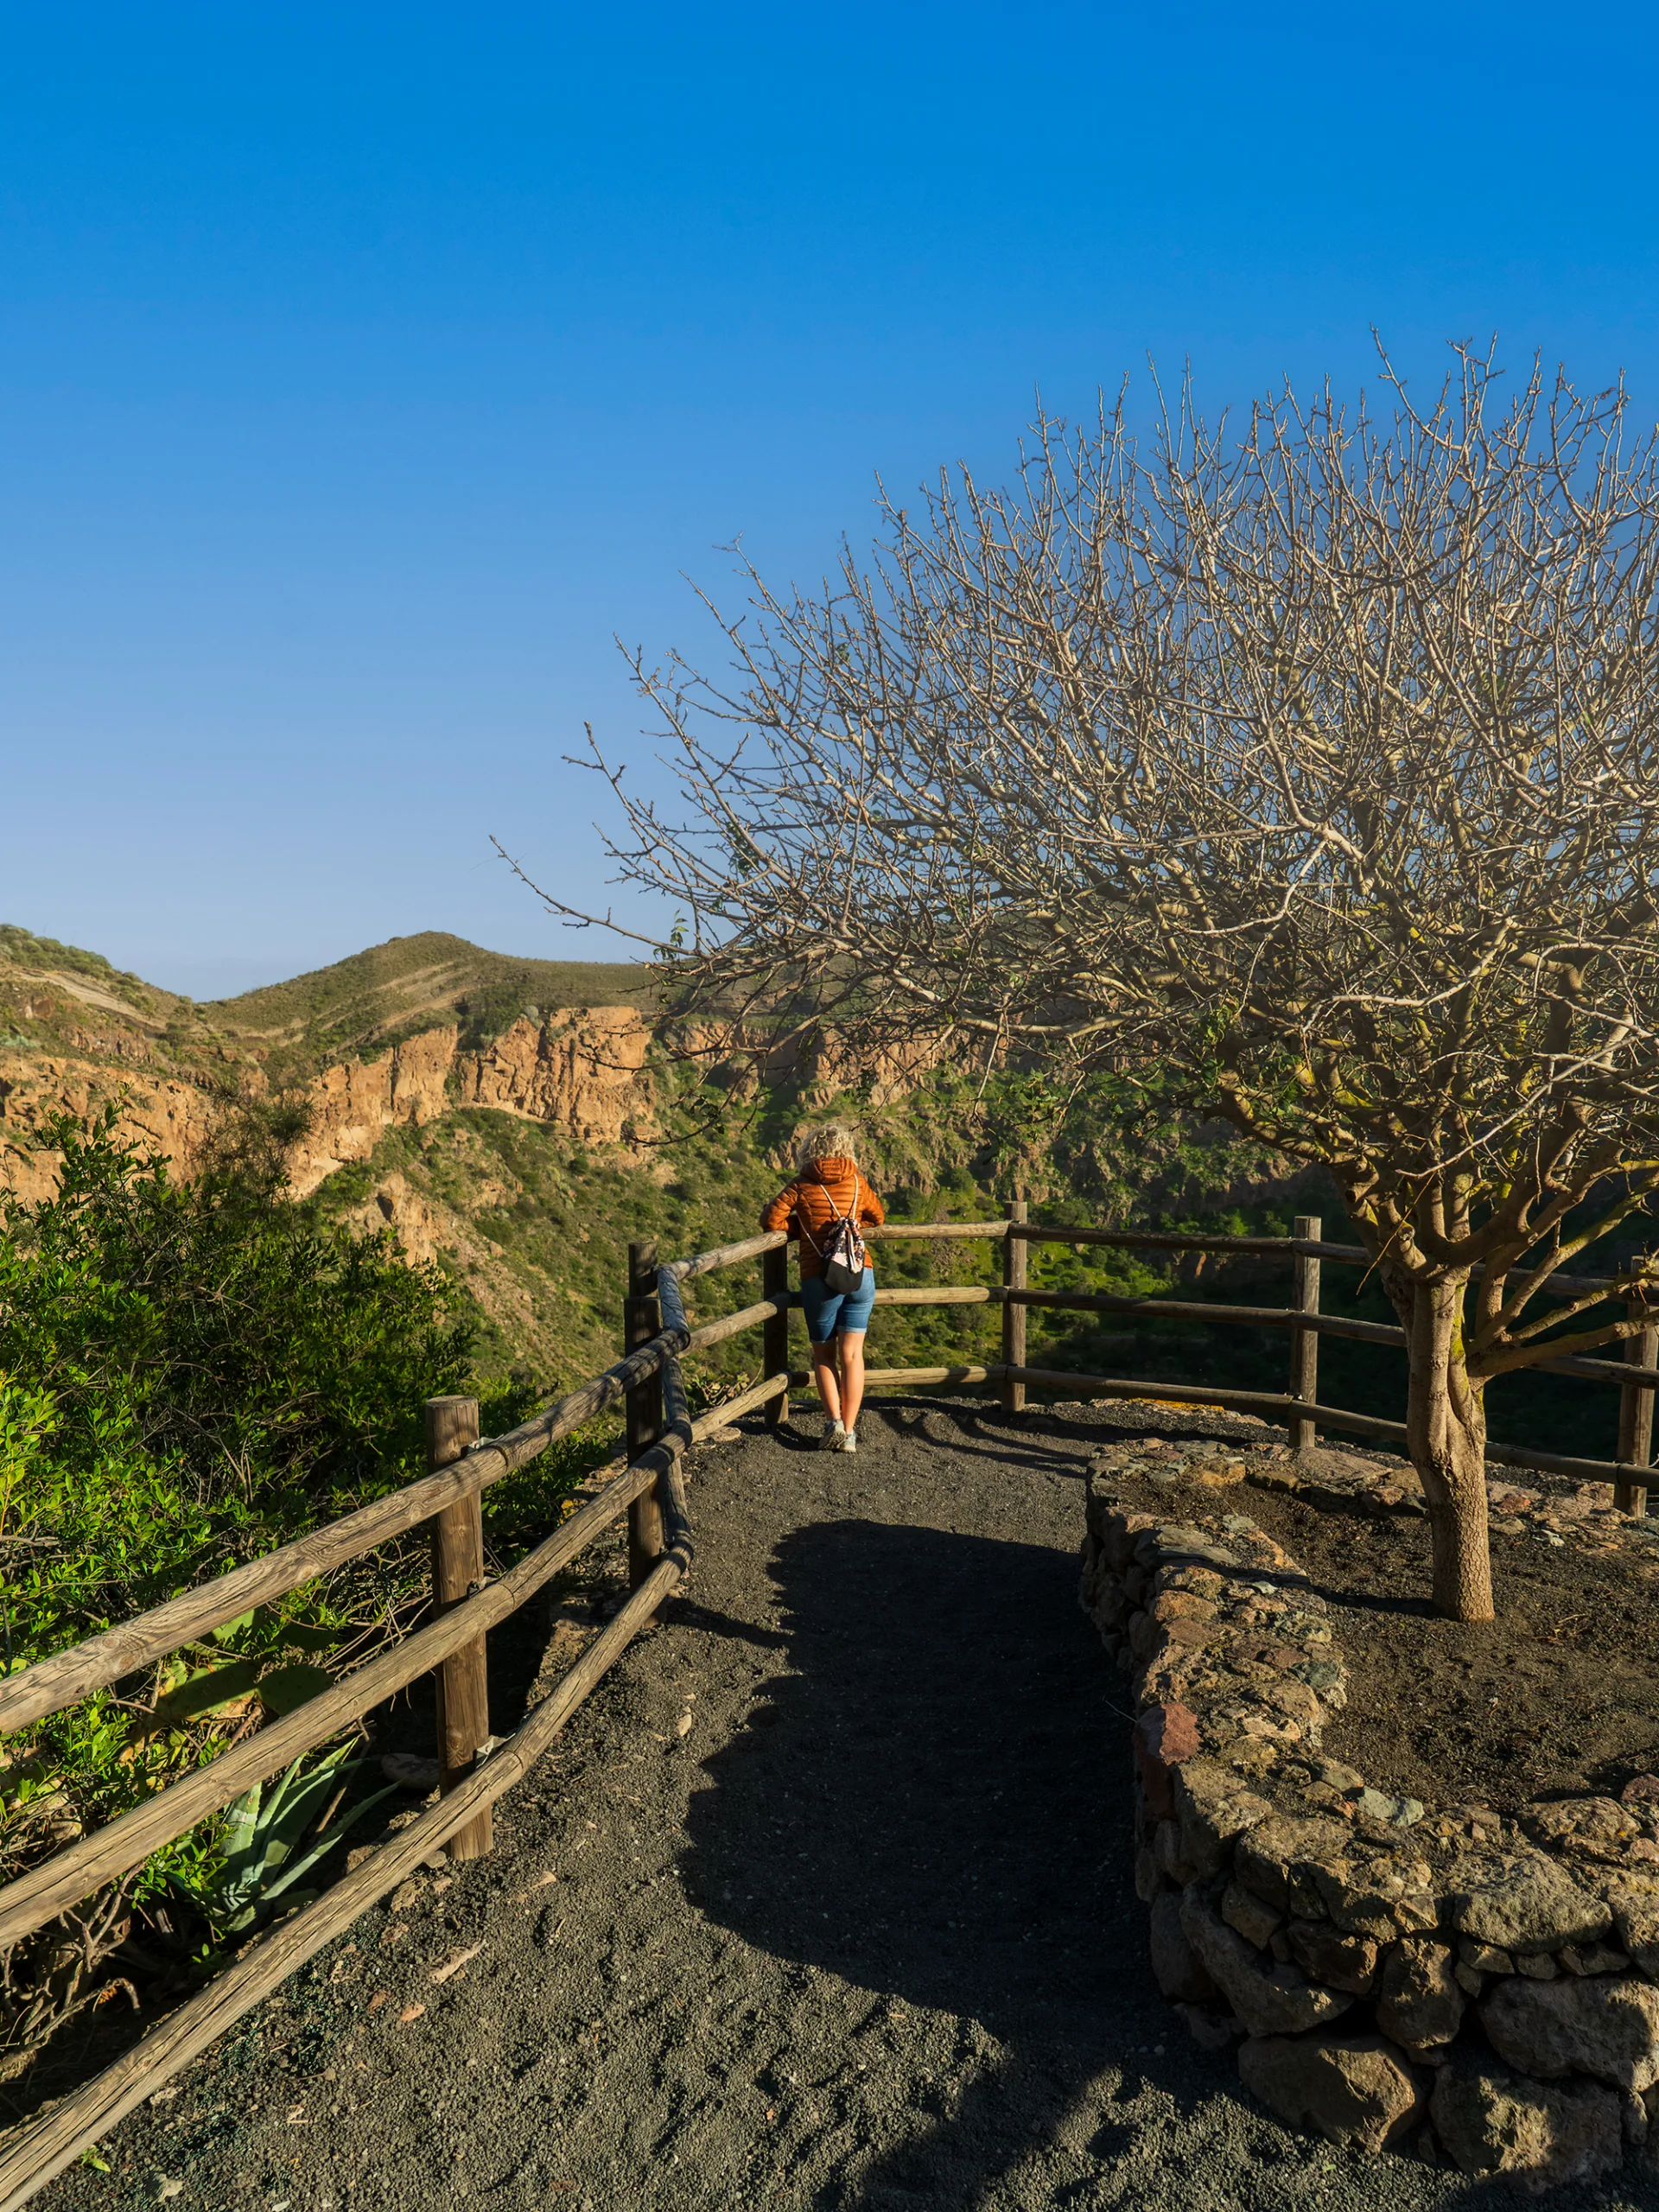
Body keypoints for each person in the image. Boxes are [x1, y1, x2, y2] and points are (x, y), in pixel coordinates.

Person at [761, 1122, 885, 1452]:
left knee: (824, 1356)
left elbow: (770, 1221)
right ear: (846, 1150)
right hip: (861, 1273)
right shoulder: (857, 1181)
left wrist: (801, 1226)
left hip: (820, 1277)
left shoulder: (801, 1184)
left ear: (809, 1151)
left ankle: (835, 1425)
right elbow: (878, 1216)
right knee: (853, 1355)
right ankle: (851, 1433)